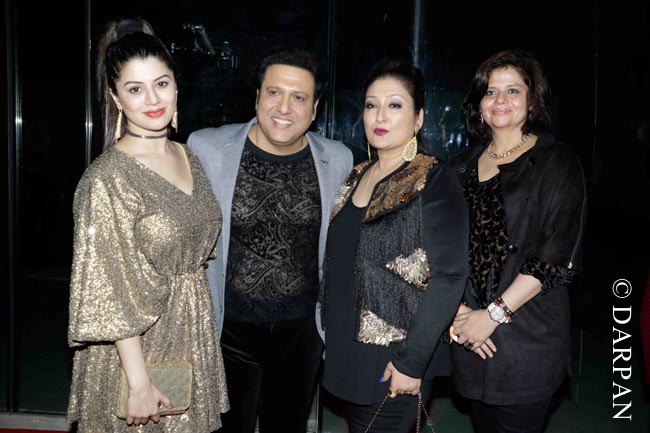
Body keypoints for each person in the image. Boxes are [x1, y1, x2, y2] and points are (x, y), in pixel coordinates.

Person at [66, 18, 229, 432]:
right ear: (116, 98)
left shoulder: (189, 157)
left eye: (161, 83)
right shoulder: (107, 179)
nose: (153, 99)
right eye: (135, 89)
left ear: (176, 86)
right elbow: (108, 287)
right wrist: (138, 383)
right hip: (135, 350)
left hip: (192, 332)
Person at [187, 46, 353, 433]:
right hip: (227, 331)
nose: (284, 108)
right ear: (257, 97)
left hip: (302, 333)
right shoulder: (206, 149)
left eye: (299, 98)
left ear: (315, 109)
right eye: (274, 92)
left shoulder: (338, 159)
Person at [319, 58, 469, 433]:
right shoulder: (357, 175)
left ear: (418, 118)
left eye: (395, 104)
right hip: (348, 351)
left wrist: (412, 362)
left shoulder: (433, 178)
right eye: (371, 105)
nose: (380, 116)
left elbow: (450, 276)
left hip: (395, 357)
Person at [448, 49, 587, 433]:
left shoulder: (556, 160)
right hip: (468, 337)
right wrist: (458, 313)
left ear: (532, 101)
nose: (500, 100)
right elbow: (439, 247)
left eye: (513, 90)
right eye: (490, 91)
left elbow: (554, 255)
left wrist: (492, 316)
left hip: (528, 338)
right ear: (479, 104)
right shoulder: (459, 165)